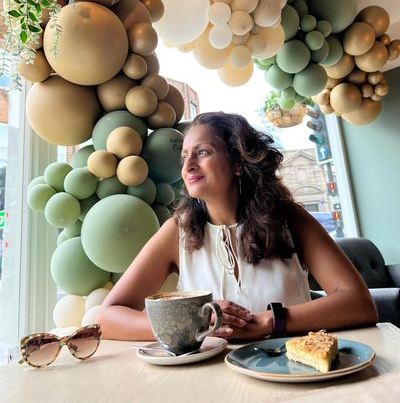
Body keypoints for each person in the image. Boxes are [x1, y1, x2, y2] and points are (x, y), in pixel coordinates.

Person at [97, 112, 377, 341]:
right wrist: (192, 322)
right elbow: (107, 316)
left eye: (203, 152)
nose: (188, 166)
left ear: (238, 163)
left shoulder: (290, 219)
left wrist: (270, 321)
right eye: (185, 157)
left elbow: (360, 303)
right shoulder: (176, 232)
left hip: (295, 375)